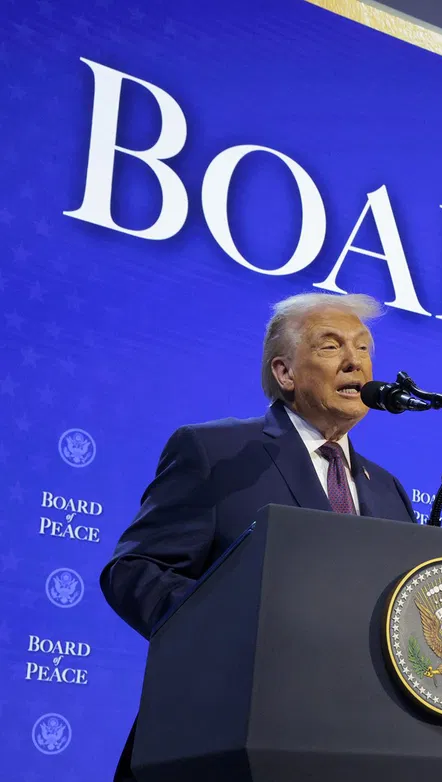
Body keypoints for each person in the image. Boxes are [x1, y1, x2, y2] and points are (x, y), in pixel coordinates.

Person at [99, 292, 417, 781]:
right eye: (331, 347)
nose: (356, 362)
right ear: (285, 373)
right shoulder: (217, 452)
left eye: (364, 348)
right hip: (220, 739)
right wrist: (237, 633)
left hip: (349, 743)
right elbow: (136, 571)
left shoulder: (389, 489)